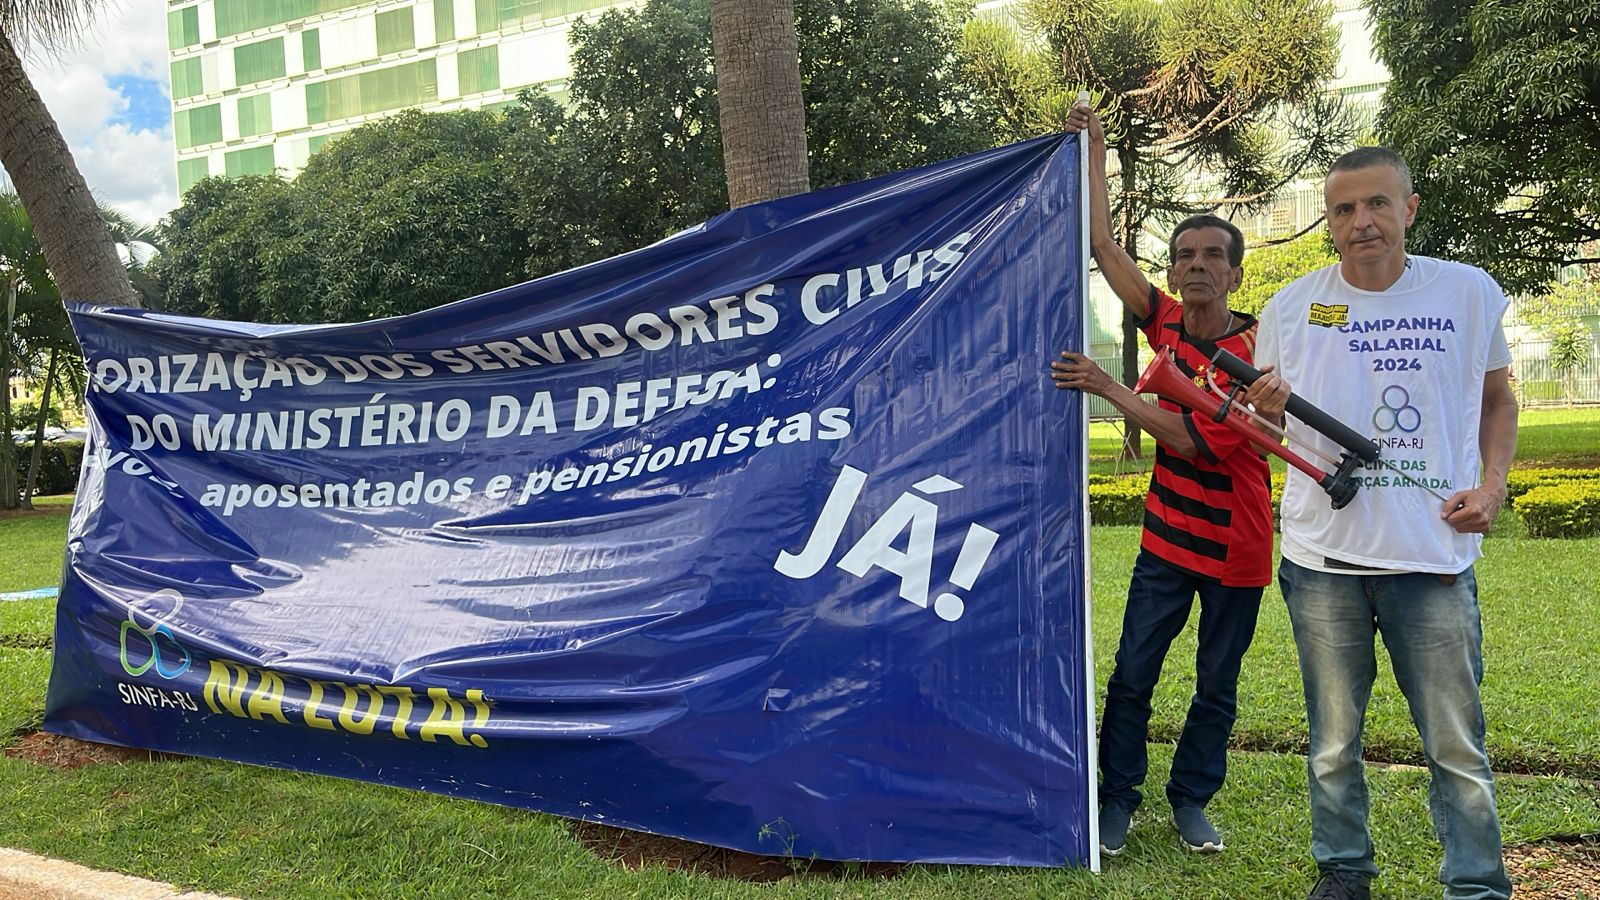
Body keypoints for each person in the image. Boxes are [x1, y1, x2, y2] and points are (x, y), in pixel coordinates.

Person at [1242, 146, 1518, 900]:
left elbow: (1499, 399)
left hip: (1431, 558)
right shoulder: (1291, 306)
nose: (1361, 221)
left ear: (1410, 209)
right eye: (1343, 209)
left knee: (1456, 745)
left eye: (1376, 204)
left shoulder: (1466, 292)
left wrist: (1492, 488)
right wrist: (1262, 413)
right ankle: (1344, 871)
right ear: (1329, 222)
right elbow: (1266, 434)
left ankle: (1476, 885)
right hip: (1321, 562)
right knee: (1333, 741)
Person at [1051, 103, 1273, 857]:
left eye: (1214, 256)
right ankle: (1117, 799)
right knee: (1133, 674)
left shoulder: (1254, 352)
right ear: (1174, 269)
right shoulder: (1166, 320)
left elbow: (1191, 441)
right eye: (1186, 256)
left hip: (1236, 548)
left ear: (1235, 272)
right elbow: (1102, 244)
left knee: (1216, 684)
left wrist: (1107, 387)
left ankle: (1191, 801)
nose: (1198, 265)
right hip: (1167, 541)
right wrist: (1094, 146)